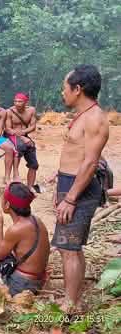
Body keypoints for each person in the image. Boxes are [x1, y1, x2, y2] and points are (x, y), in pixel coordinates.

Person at [53, 65, 108, 312]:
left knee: (69, 248)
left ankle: (70, 304)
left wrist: (71, 198)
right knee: (70, 247)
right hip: (70, 184)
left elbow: (90, 162)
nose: (62, 92)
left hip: (80, 189)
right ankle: (72, 296)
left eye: (65, 87)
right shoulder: (83, 115)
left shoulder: (95, 118)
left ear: (78, 88)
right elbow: (75, 155)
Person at [5, 93, 39, 190]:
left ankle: (30, 187)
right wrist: (23, 137)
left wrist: (23, 134)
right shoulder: (9, 111)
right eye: (15, 101)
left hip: (24, 135)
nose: (17, 103)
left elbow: (33, 126)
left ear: (25, 102)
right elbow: (7, 129)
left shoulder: (31, 110)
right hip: (11, 135)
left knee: (34, 162)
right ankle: (15, 175)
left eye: (20, 101)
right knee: (20, 146)